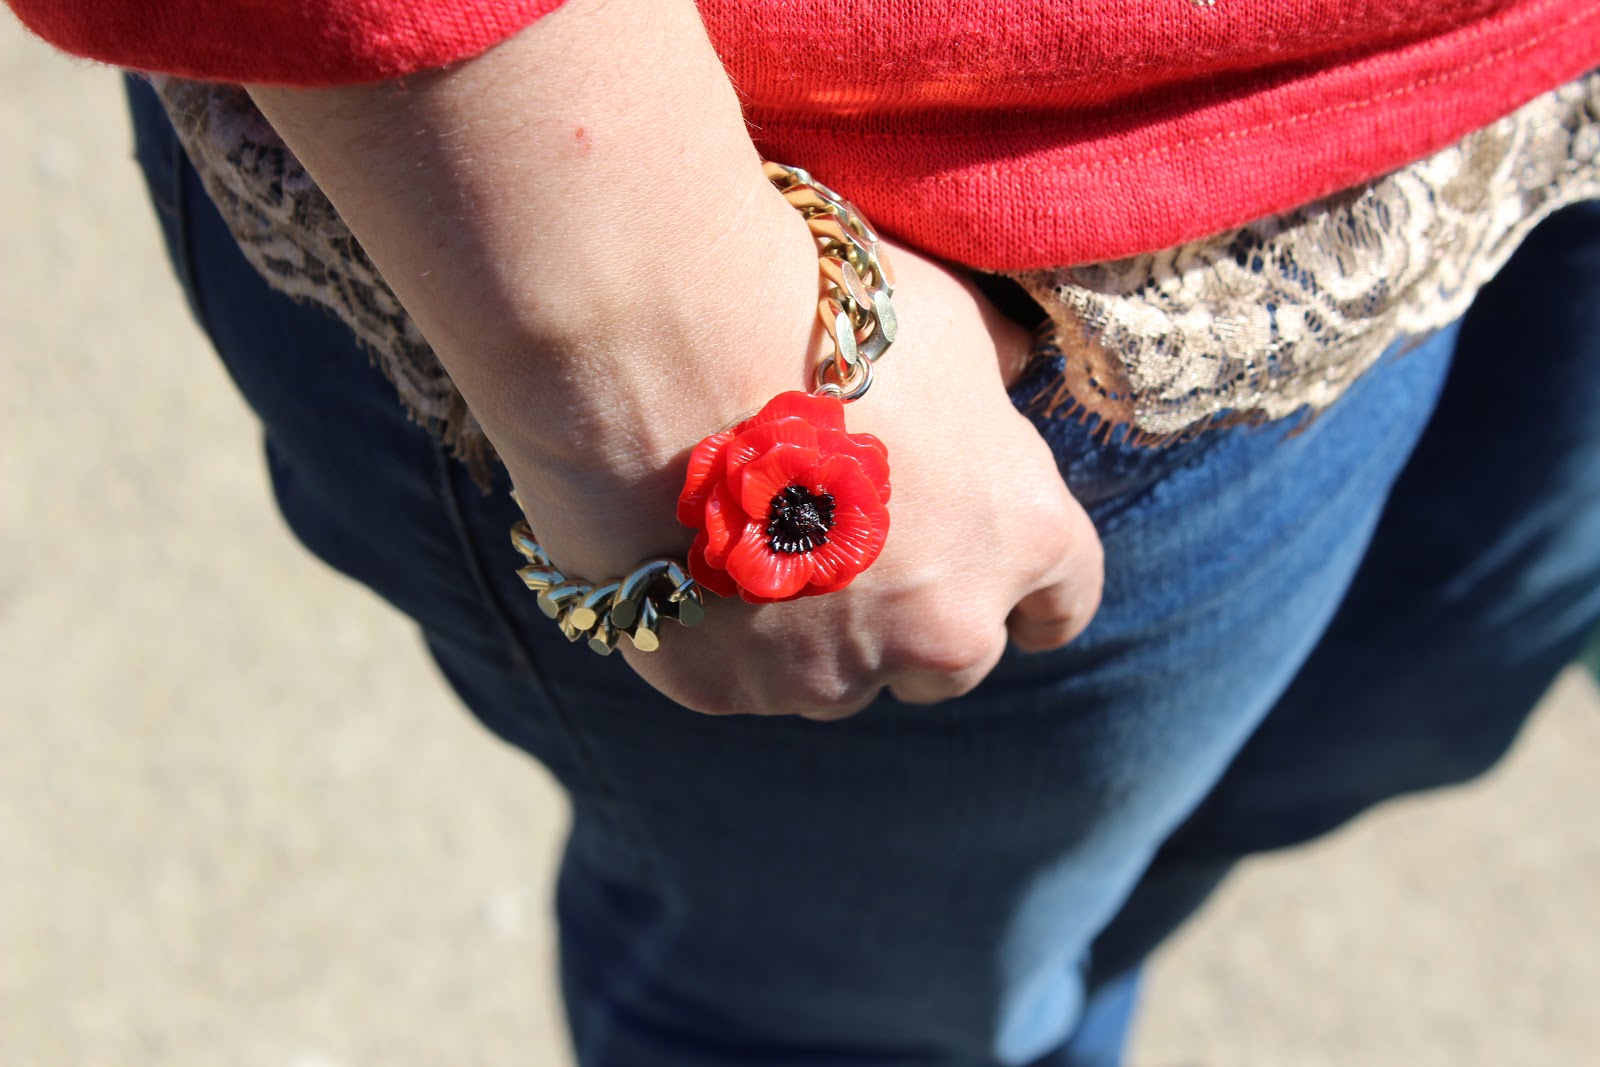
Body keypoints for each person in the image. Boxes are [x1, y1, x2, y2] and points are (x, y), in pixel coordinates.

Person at [10, 1, 1600, 1063]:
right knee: (845, 1017)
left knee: (1350, 738)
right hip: (901, 275)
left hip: (1530, 100)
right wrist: (639, 317)